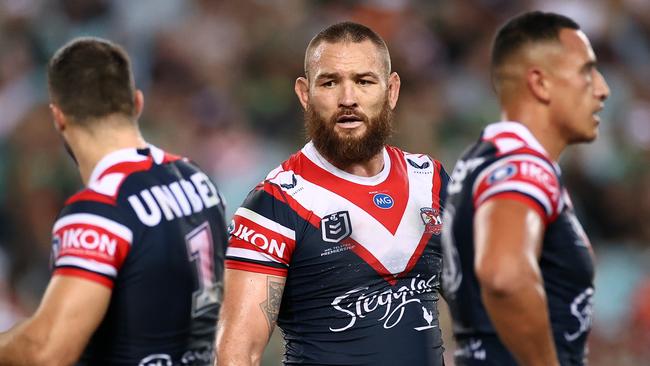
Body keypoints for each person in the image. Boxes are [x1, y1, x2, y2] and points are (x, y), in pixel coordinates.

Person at [216, 22, 450, 365]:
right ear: (305, 93)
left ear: (392, 89)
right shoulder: (275, 205)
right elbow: (237, 352)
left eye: (364, 81)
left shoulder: (431, 181)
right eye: (329, 82)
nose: (348, 99)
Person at [0, 37, 228, 366]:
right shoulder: (198, 180)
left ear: (59, 117)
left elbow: (47, 350)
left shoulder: (99, 211)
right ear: (136, 103)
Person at [441, 11, 610, 366]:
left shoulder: (485, 161)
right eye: (586, 72)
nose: (602, 89)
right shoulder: (522, 166)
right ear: (540, 83)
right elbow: (504, 275)